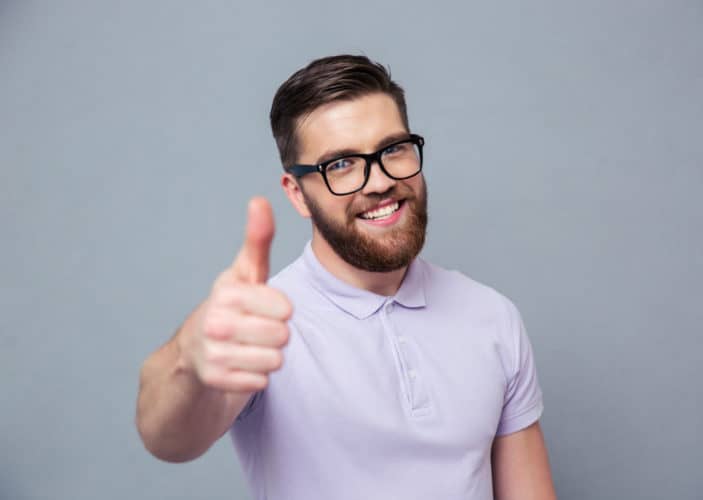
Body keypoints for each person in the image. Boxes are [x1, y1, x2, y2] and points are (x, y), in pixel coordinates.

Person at [136, 54, 556, 500]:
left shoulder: (491, 316)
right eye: (340, 164)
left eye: (393, 149)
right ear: (297, 194)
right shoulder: (261, 329)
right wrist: (189, 361)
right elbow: (168, 440)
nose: (378, 182)